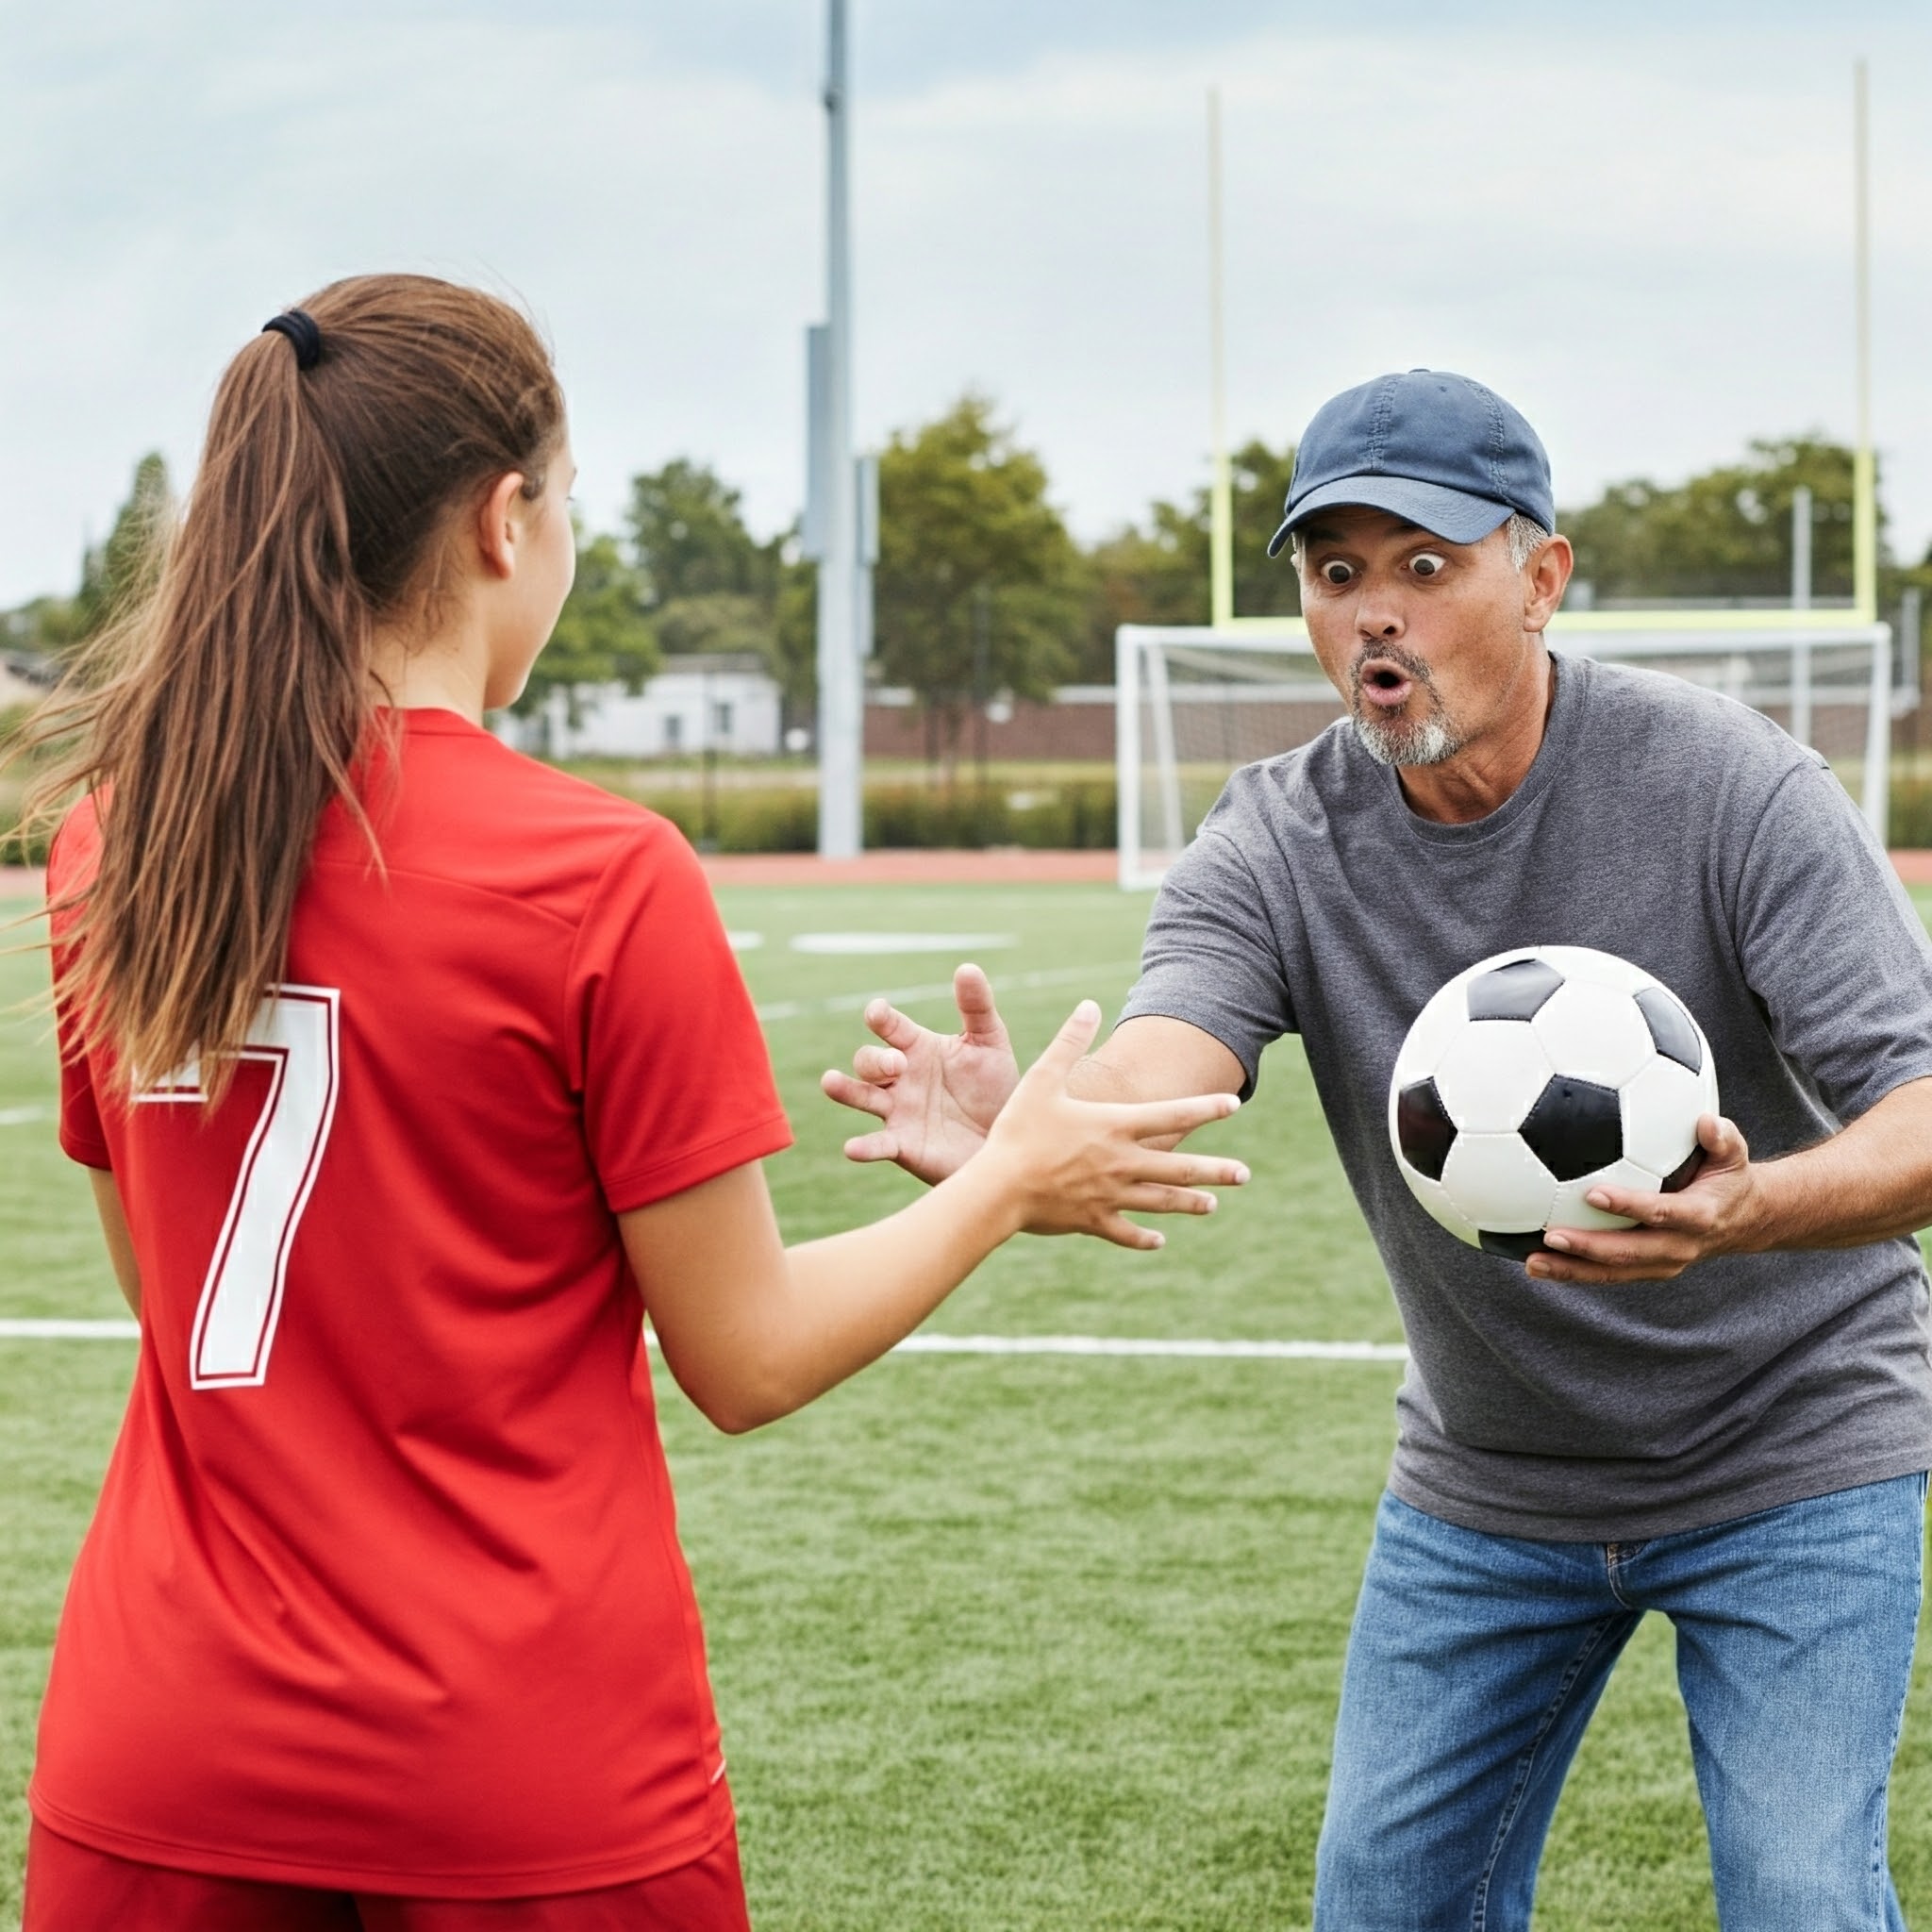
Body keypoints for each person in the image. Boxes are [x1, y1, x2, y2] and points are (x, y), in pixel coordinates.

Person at [15, 275, 1248, 1932]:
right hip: (516, 1761)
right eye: (574, 500)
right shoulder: (596, 873)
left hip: (162, 1743)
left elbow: (168, 1300)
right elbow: (742, 1359)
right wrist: (1003, 1180)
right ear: (505, 520)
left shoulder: (116, 840)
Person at [824, 368, 1932, 1930]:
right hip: (1494, 1475)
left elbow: (1923, 1110)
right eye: (1337, 576)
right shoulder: (1274, 836)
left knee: (1804, 1897)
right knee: (1385, 1904)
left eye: (1426, 564)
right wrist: (1036, 1130)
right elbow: (1171, 1049)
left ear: (1540, 576)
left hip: (1792, 1449)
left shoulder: (1733, 786)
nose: (1374, 617)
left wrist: (1748, 1214)